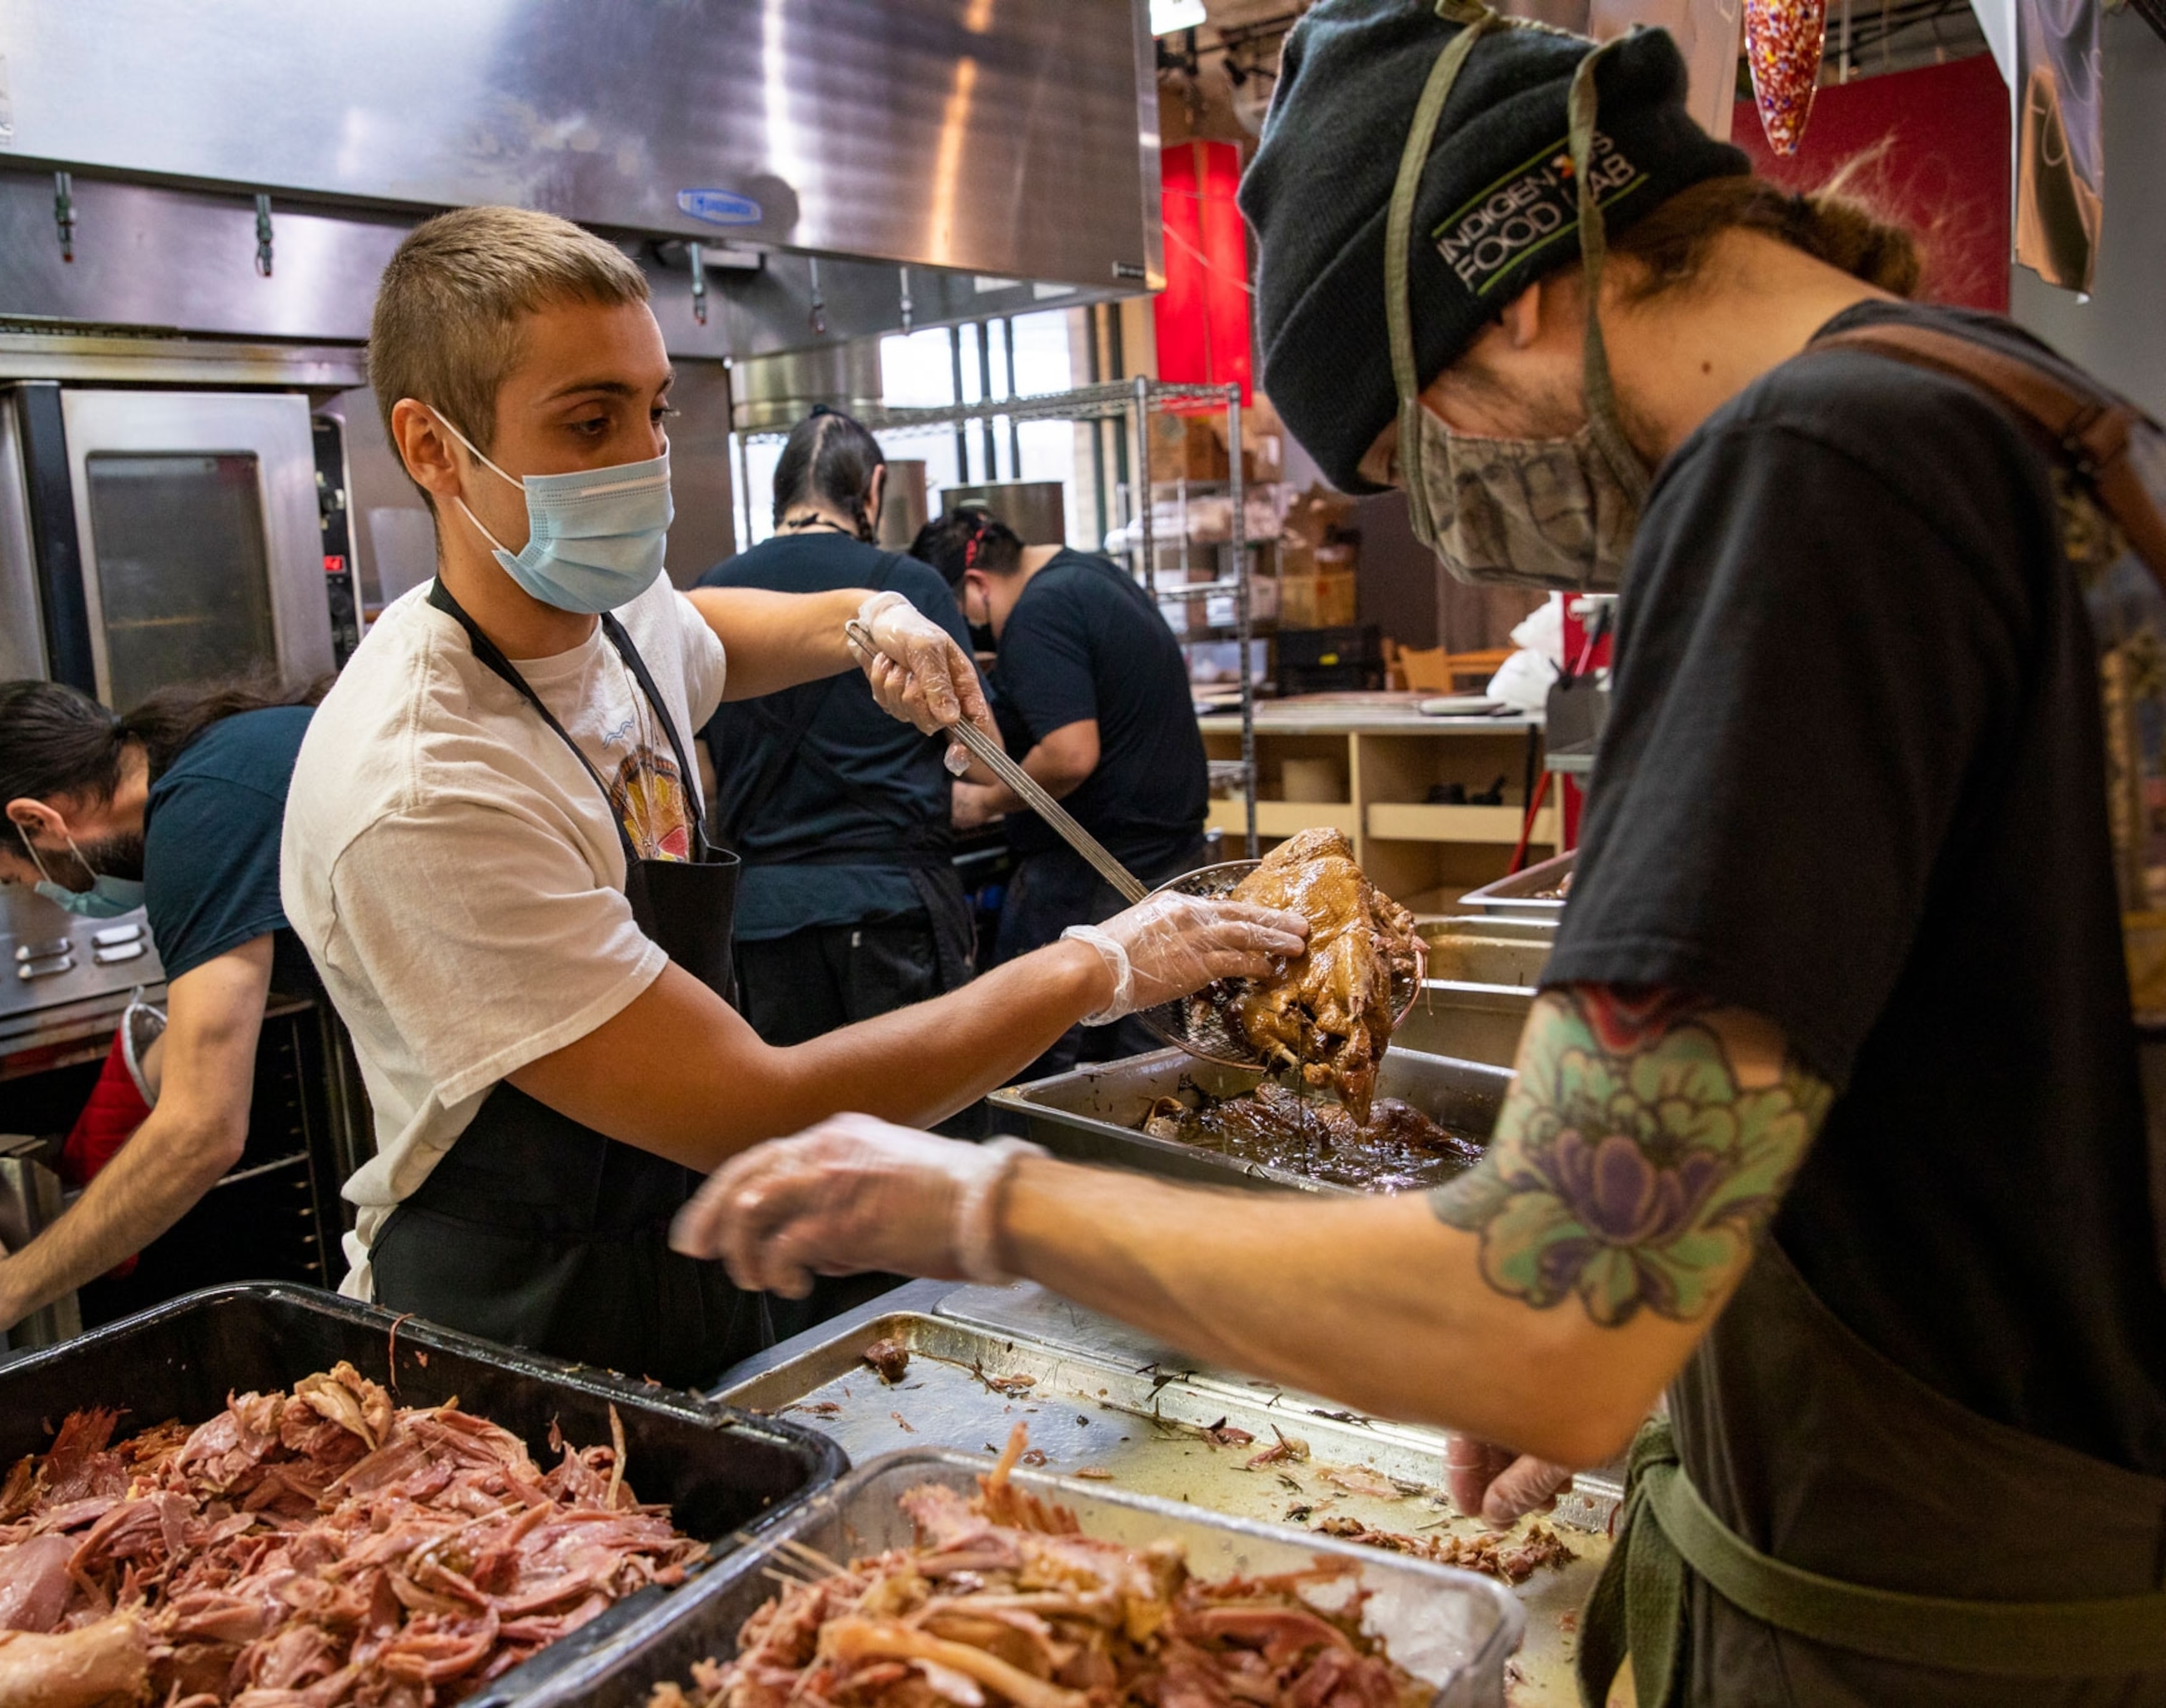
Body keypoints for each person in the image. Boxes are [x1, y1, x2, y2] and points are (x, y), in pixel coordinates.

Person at [671, 3, 2166, 1702]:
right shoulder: (2013, 406)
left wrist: (983, 1199)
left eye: (1411, 451)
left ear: (1513, 279)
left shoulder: (1803, 479)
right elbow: (1986, 1106)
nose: (1447, 517)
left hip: (1943, 1641)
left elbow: (1550, 1313)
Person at [279, 206, 1305, 1392]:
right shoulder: (429, 784)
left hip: (672, 1256)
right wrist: (1097, 966)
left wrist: (863, 618)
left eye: (654, 411)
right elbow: (751, 1107)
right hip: (511, 1329)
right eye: (588, 421)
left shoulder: (606, 621)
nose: (641, 461)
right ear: (432, 447)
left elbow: (709, 629)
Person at [0, 676, 326, 1343]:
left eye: (21, 876)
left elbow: (202, 1132)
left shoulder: (196, 818)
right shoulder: (225, 753)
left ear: (37, 822)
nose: (39, 894)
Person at [701, 408, 977, 1051]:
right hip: (888, 908)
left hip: (761, 919)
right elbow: (982, 756)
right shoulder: (908, 592)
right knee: (914, 1132)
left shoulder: (712, 596)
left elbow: (699, 771)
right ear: (874, 490)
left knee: (796, 1135)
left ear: (781, 492)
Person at [909, 507, 1209, 1076]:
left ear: (976, 589)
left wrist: (986, 802)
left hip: (1097, 868)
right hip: (1164, 851)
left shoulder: (1038, 613)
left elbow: (1071, 753)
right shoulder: (1089, 575)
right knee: (1149, 1060)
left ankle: (1040, 1159)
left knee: (1033, 1050)